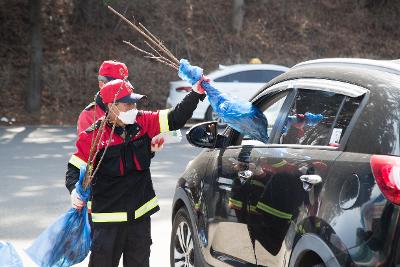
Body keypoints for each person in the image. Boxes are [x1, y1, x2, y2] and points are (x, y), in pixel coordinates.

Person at [65, 79, 206, 267]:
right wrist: (74, 191)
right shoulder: (93, 136)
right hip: (107, 221)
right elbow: (74, 168)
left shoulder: (143, 121)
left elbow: (175, 118)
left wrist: (195, 93)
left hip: (139, 219)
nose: (133, 107)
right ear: (111, 106)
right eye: (127, 103)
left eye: (134, 102)